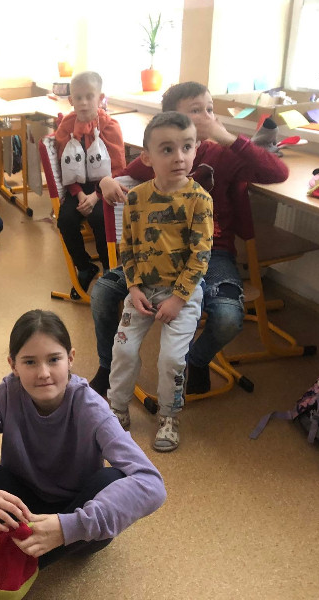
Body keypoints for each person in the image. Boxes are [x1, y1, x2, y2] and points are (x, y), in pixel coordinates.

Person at [0, 310, 165, 599]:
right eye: (30, 362)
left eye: (54, 359)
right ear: (13, 365)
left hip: (75, 517)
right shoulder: (6, 395)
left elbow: (151, 484)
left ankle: (6, 566)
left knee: (112, 478)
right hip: (22, 506)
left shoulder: (91, 408)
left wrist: (67, 527)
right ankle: (8, 562)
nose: (43, 373)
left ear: (70, 358)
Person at [89, 81, 289, 397]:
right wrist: (104, 181)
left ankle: (196, 360)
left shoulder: (222, 153)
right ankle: (107, 364)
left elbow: (278, 173)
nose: (207, 117)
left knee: (228, 317)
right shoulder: (163, 151)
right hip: (156, 254)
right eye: (196, 111)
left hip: (212, 253)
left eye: (210, 109)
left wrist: (226, 136)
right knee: (102, 292)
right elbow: (128, 173)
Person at [106, 111, 213, 452]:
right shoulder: (136, 198)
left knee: (171, 359)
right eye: (167, 149)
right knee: (123, 349)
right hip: (141, 290)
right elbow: (128, 246)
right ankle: (116, 409)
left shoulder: (200, 200)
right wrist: (133, 287)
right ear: (147, 157)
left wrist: (178, 299)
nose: (179, 157)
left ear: (196, 149)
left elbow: (201, 256)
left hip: (183, 294)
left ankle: (169, 416)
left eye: (187, 147)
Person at [54, 71, 126, 296]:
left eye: (89, 96)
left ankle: (109, 269)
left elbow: (118, 169)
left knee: (100, 218)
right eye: (78, 97)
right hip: (77, 188)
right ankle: (84, 266)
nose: (84, 102)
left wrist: (96, 195)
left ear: (100, 98)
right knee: (65, 220)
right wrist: (78, 194)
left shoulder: (110, 127)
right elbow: (64, 167)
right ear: (71, 100)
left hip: (104, 188)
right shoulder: (66, 128)